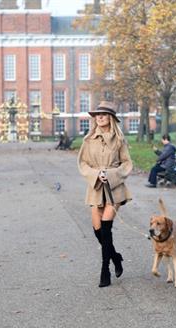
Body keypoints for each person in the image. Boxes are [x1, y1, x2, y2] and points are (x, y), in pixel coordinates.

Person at [78, 101, 133, 288]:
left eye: (103, 114)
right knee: (97, 231)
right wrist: (95, 174)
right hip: (95, 187)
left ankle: (105, 270)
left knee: (106, 227)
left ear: (110, 118)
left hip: (114, 187)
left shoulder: (119, 140)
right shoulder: (88, 140)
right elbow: (83, 164)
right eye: (97, 114)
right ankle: (116, 257)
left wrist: (110, 175)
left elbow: (127, 164)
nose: (99, 117)